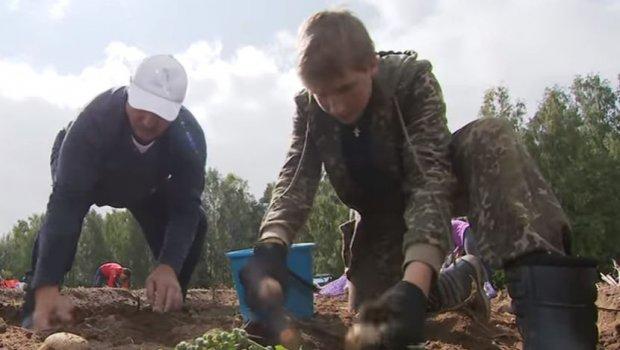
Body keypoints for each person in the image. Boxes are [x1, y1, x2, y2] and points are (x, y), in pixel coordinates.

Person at [240, 9, 598, 350]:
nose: (335, 106)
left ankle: (555, 322)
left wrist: (414, 282)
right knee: (377, 318)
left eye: (346, 89)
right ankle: (462, 278)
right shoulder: (309, 109)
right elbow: (294, 179)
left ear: (372, 65)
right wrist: (271, 247)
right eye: (322, 96)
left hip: (437, 185)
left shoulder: (409, 82)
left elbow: (429, 179)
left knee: (489, 138)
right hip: (380, 217)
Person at [21, 55, 208, 331]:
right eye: (142, 106)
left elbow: (186, 208)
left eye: (161, 113)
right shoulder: (93, 122)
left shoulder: (188, 140)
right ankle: (38, 299)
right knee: (64, 221)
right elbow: (65, 205)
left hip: (144, 184)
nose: (147, 120)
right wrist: (47, 283)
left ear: (177, 111)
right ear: (130, 93)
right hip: (89, 174)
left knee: (198, 223)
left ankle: (167, 298)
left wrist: (169, 264)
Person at [448, 218, 497, 299]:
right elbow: (458, 242)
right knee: (481, 261)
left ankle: (489, 289)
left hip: (467, 234)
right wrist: (457, 252)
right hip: (469, 234)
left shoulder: (448, 225)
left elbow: (453, 243)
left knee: (475, 262)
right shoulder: (452, 226)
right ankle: (489, 287)